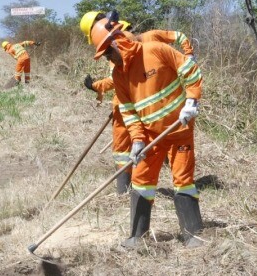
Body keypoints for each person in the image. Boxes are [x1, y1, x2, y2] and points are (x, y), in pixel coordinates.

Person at [89, 17, 204, 248]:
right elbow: (129, 112)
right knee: (141, 181)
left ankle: (193, 235)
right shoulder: (119, 76)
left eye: (107, 53)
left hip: (179, 129)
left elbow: (191, 71)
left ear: (117, 42)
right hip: (151, 136)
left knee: (182, 180)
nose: (108, 59)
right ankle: (137, 237)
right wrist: (138, 141)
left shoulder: (156, 50)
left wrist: (191, 102)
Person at [79, 11, 195, 194]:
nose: (128, 35)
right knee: (137, 150)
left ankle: (123, 190)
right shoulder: (137, 43)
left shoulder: (134, 46)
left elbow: (113, 80)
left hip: (147, 109)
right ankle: (129, 190)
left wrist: (96, 86)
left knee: (124, 148)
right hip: (136, 107)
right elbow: (118, 80)